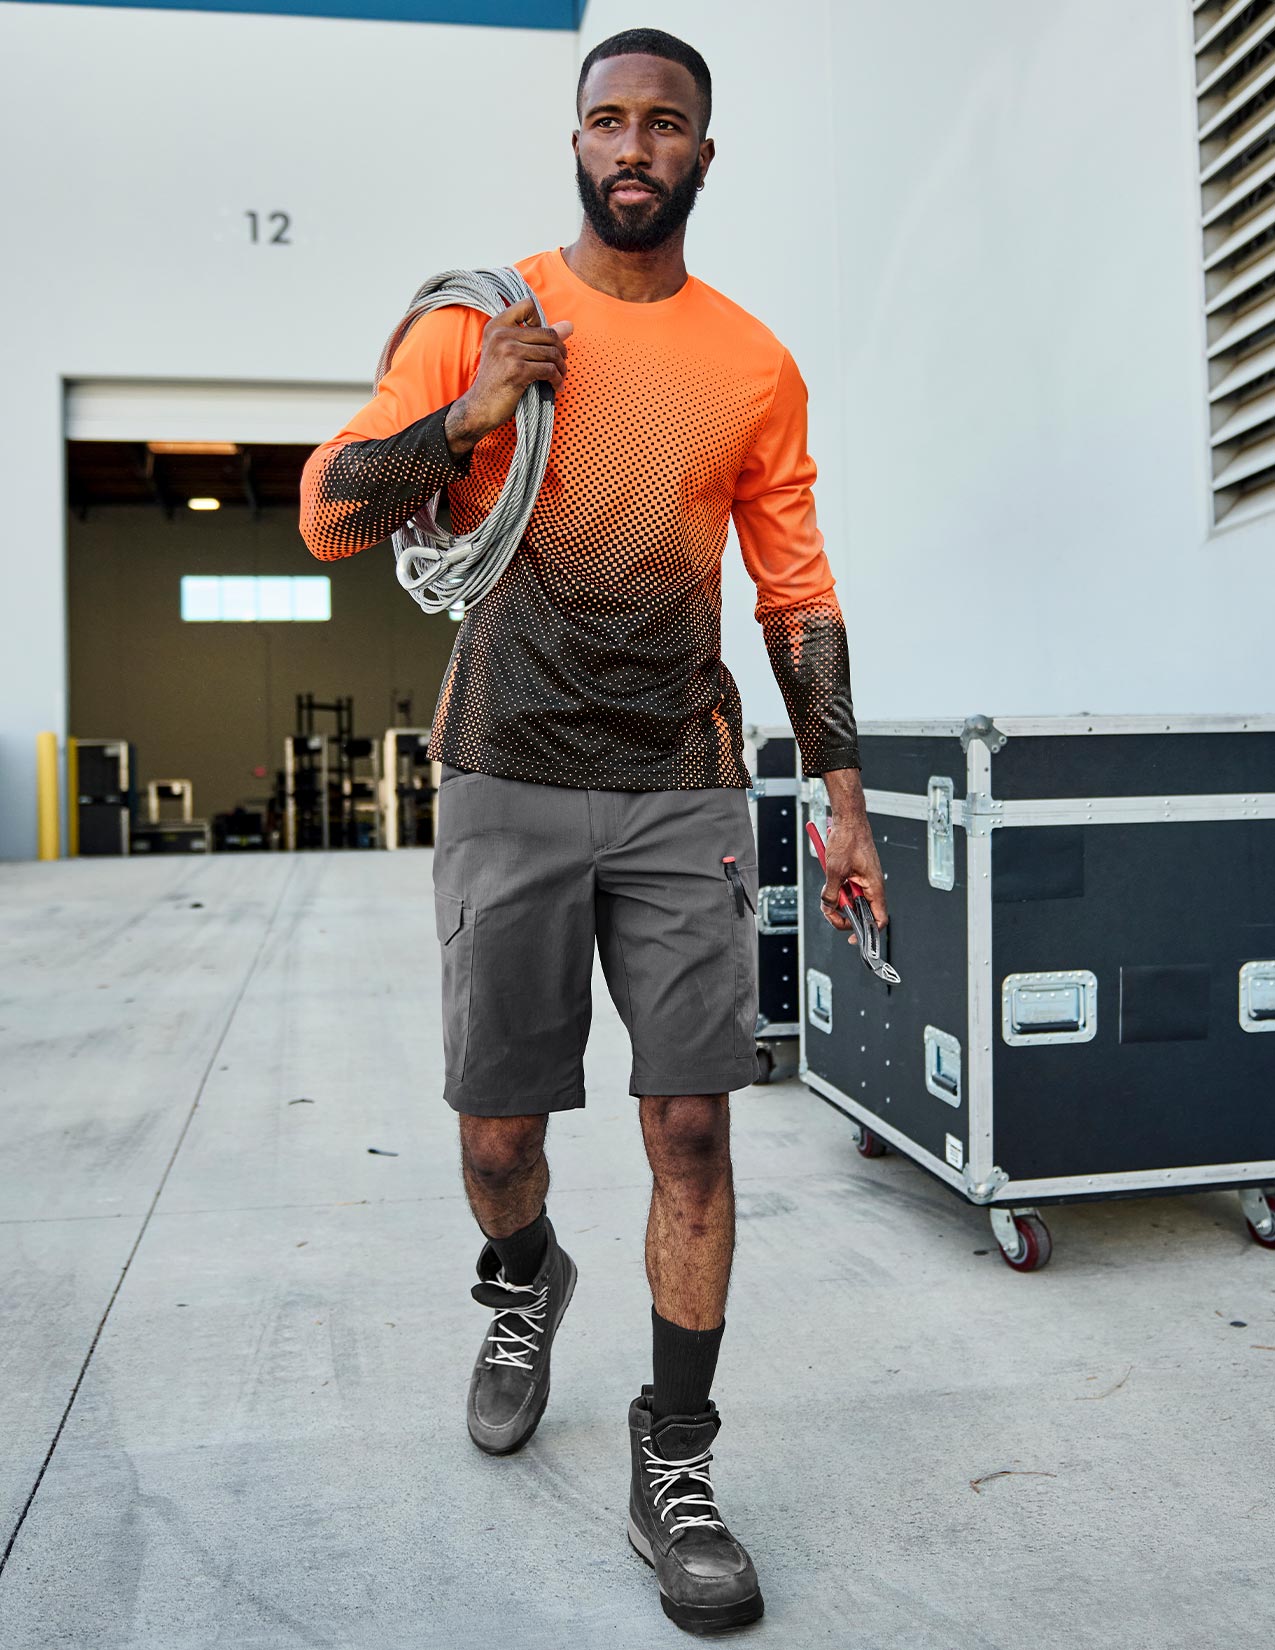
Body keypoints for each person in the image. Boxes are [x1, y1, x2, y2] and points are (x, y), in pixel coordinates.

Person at [299, 26, 886, 1635]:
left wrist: (841, 800)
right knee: (500, 1134)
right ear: (576, 140)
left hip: (683, 780)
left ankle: (677, 1453)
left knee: (692, 1127)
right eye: (609, 118)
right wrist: (475, 408)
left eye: (667, 123)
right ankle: (521, 1280)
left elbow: (797, 590)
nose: (635, 144)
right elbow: (334, 505)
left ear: (704, 154)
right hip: (505, 769)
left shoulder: (752, 363)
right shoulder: (479, 319)